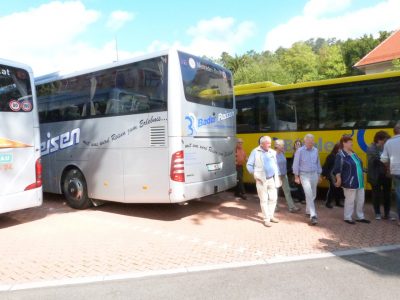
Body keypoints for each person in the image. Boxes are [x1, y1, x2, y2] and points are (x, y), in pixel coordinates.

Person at [333, 135, 370, 225]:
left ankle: (360, 216)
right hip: (349, 181)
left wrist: (364, 170)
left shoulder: (353, 153)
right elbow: (337, 169)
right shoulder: (340, 155)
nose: (352, 143)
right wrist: (338, 179)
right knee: (350, 200)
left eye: (351, 142)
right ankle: (347, 217)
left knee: (360, 200)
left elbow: (358, 165)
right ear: (344, 143)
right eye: (350, 142)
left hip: (359, 181)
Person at [247, 136, 281, 227]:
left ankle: (271, 216)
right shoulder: (255, 152)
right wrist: (255, 175)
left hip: (271, 179)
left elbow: (275, 165)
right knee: (264, 200)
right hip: (261, 180)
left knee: (273, 198)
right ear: (262, 144)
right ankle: (266, 219)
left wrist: (278, 175)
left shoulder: (272, 152)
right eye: (268, 143)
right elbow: (249, 165)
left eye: (270, 143)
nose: (270, 145)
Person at [292, 134, 322, 225]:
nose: (311, 143)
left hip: (314, 174)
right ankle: (313, 215)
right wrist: (296, 176)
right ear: (305, 142)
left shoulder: (315, 150)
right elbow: (295, 164)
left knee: (313, 194)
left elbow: (318, 163)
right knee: (309, 194)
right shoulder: (300, 151)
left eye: (312, 141)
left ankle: (308, 210)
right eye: (309, 141)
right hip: (304, 175)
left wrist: (319, 174)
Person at [367, 131, 392, 220]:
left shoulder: (385, 147)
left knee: (387, 195)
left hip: (385, 175)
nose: (386, 142)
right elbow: (379, 160)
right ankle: (377, 213)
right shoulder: (371, 148)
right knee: (376, 195)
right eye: (385, 140)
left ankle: (387, 214)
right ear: (379, 140)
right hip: (375, 175)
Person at [381, 123, 400, 226]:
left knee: (398, 194)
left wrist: (388, 167)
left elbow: (383, 158)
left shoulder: (389, 142)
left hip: (395, 171)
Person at [274, 139, 300, 213]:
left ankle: (291, 207)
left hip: (284, 175)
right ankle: (275, 207)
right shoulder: (273, 154)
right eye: (282, 145)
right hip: (277, 176)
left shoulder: (282, 153)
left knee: (287, 191)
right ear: (277, 146)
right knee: (275, 192)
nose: (283, 146)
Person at [322, 143, 344, 208]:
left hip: (339, 175)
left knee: (339, 189)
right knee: (332, 189)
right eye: (340, 149)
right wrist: (324, 174)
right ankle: (328, 202)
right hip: (332, 176)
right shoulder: (331, 156)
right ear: (336, 149)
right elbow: (326, 166)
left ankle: (338, 202)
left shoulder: (341, 156)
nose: (341, 150)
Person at [289, 139, 306, 204]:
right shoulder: (295, 152)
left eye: (298, 144)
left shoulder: (302, 152)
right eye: (296, 144)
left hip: (300, 171)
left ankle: (303, 199)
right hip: (296, 171)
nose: (297, 145)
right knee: (298, 185)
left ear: (301, 145)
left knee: (301, 185)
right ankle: (299, 198)